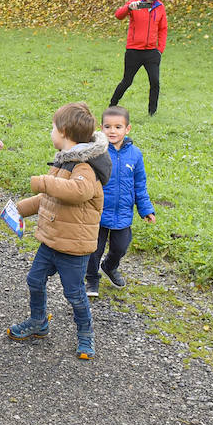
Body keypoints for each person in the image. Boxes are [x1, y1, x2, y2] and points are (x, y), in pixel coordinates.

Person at [6, 102, 111, 359]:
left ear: (63, 132)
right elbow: (49, 198)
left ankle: (86, 334)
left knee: (74, 293)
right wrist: (20, 209)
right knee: (34, 280)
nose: (50, 132)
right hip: (51, 241)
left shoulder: (85, 167)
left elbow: (78, 192)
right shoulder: (64, 163)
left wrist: (43, 180)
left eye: (52, 128)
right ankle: (38, 320)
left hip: (73, 247)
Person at [86, 106, 156, 298]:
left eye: (118, 127)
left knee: (121, 246)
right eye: (107, 127)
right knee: (93, 250)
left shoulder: (135, 155)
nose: (112, 131)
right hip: (98, 212)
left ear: (128, 129)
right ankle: (91, 278)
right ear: (101, 128)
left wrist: (146, 209)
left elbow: (140, 185)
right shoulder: (96, 153)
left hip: (123, 213)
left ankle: (109, 266)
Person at [108, 0, 167, 116]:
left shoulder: (159, 7)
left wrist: (160, 50)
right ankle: (112, 104)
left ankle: (152, 112)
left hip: (152, 52)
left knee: (155, 82)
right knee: (127, 81)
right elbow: (118, 15)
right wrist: (128, 7)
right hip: (134, 51)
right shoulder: (135, 2)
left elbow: (163, 29)